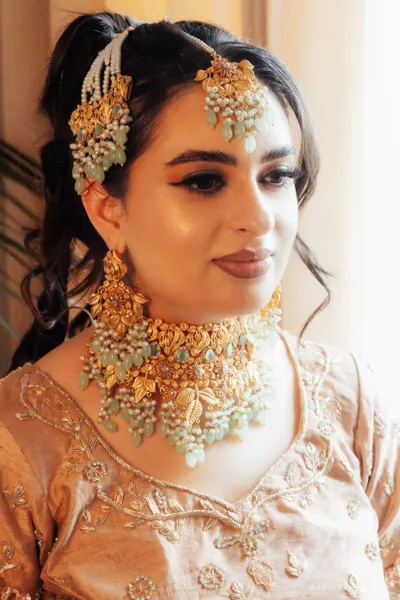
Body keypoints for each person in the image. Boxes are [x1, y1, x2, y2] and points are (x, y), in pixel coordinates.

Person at [0, 11, 398, 600]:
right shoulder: (21, 441)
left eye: (276, 175)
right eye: (205, 181)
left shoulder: (352, 407)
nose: (259, 219)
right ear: (108, 208)